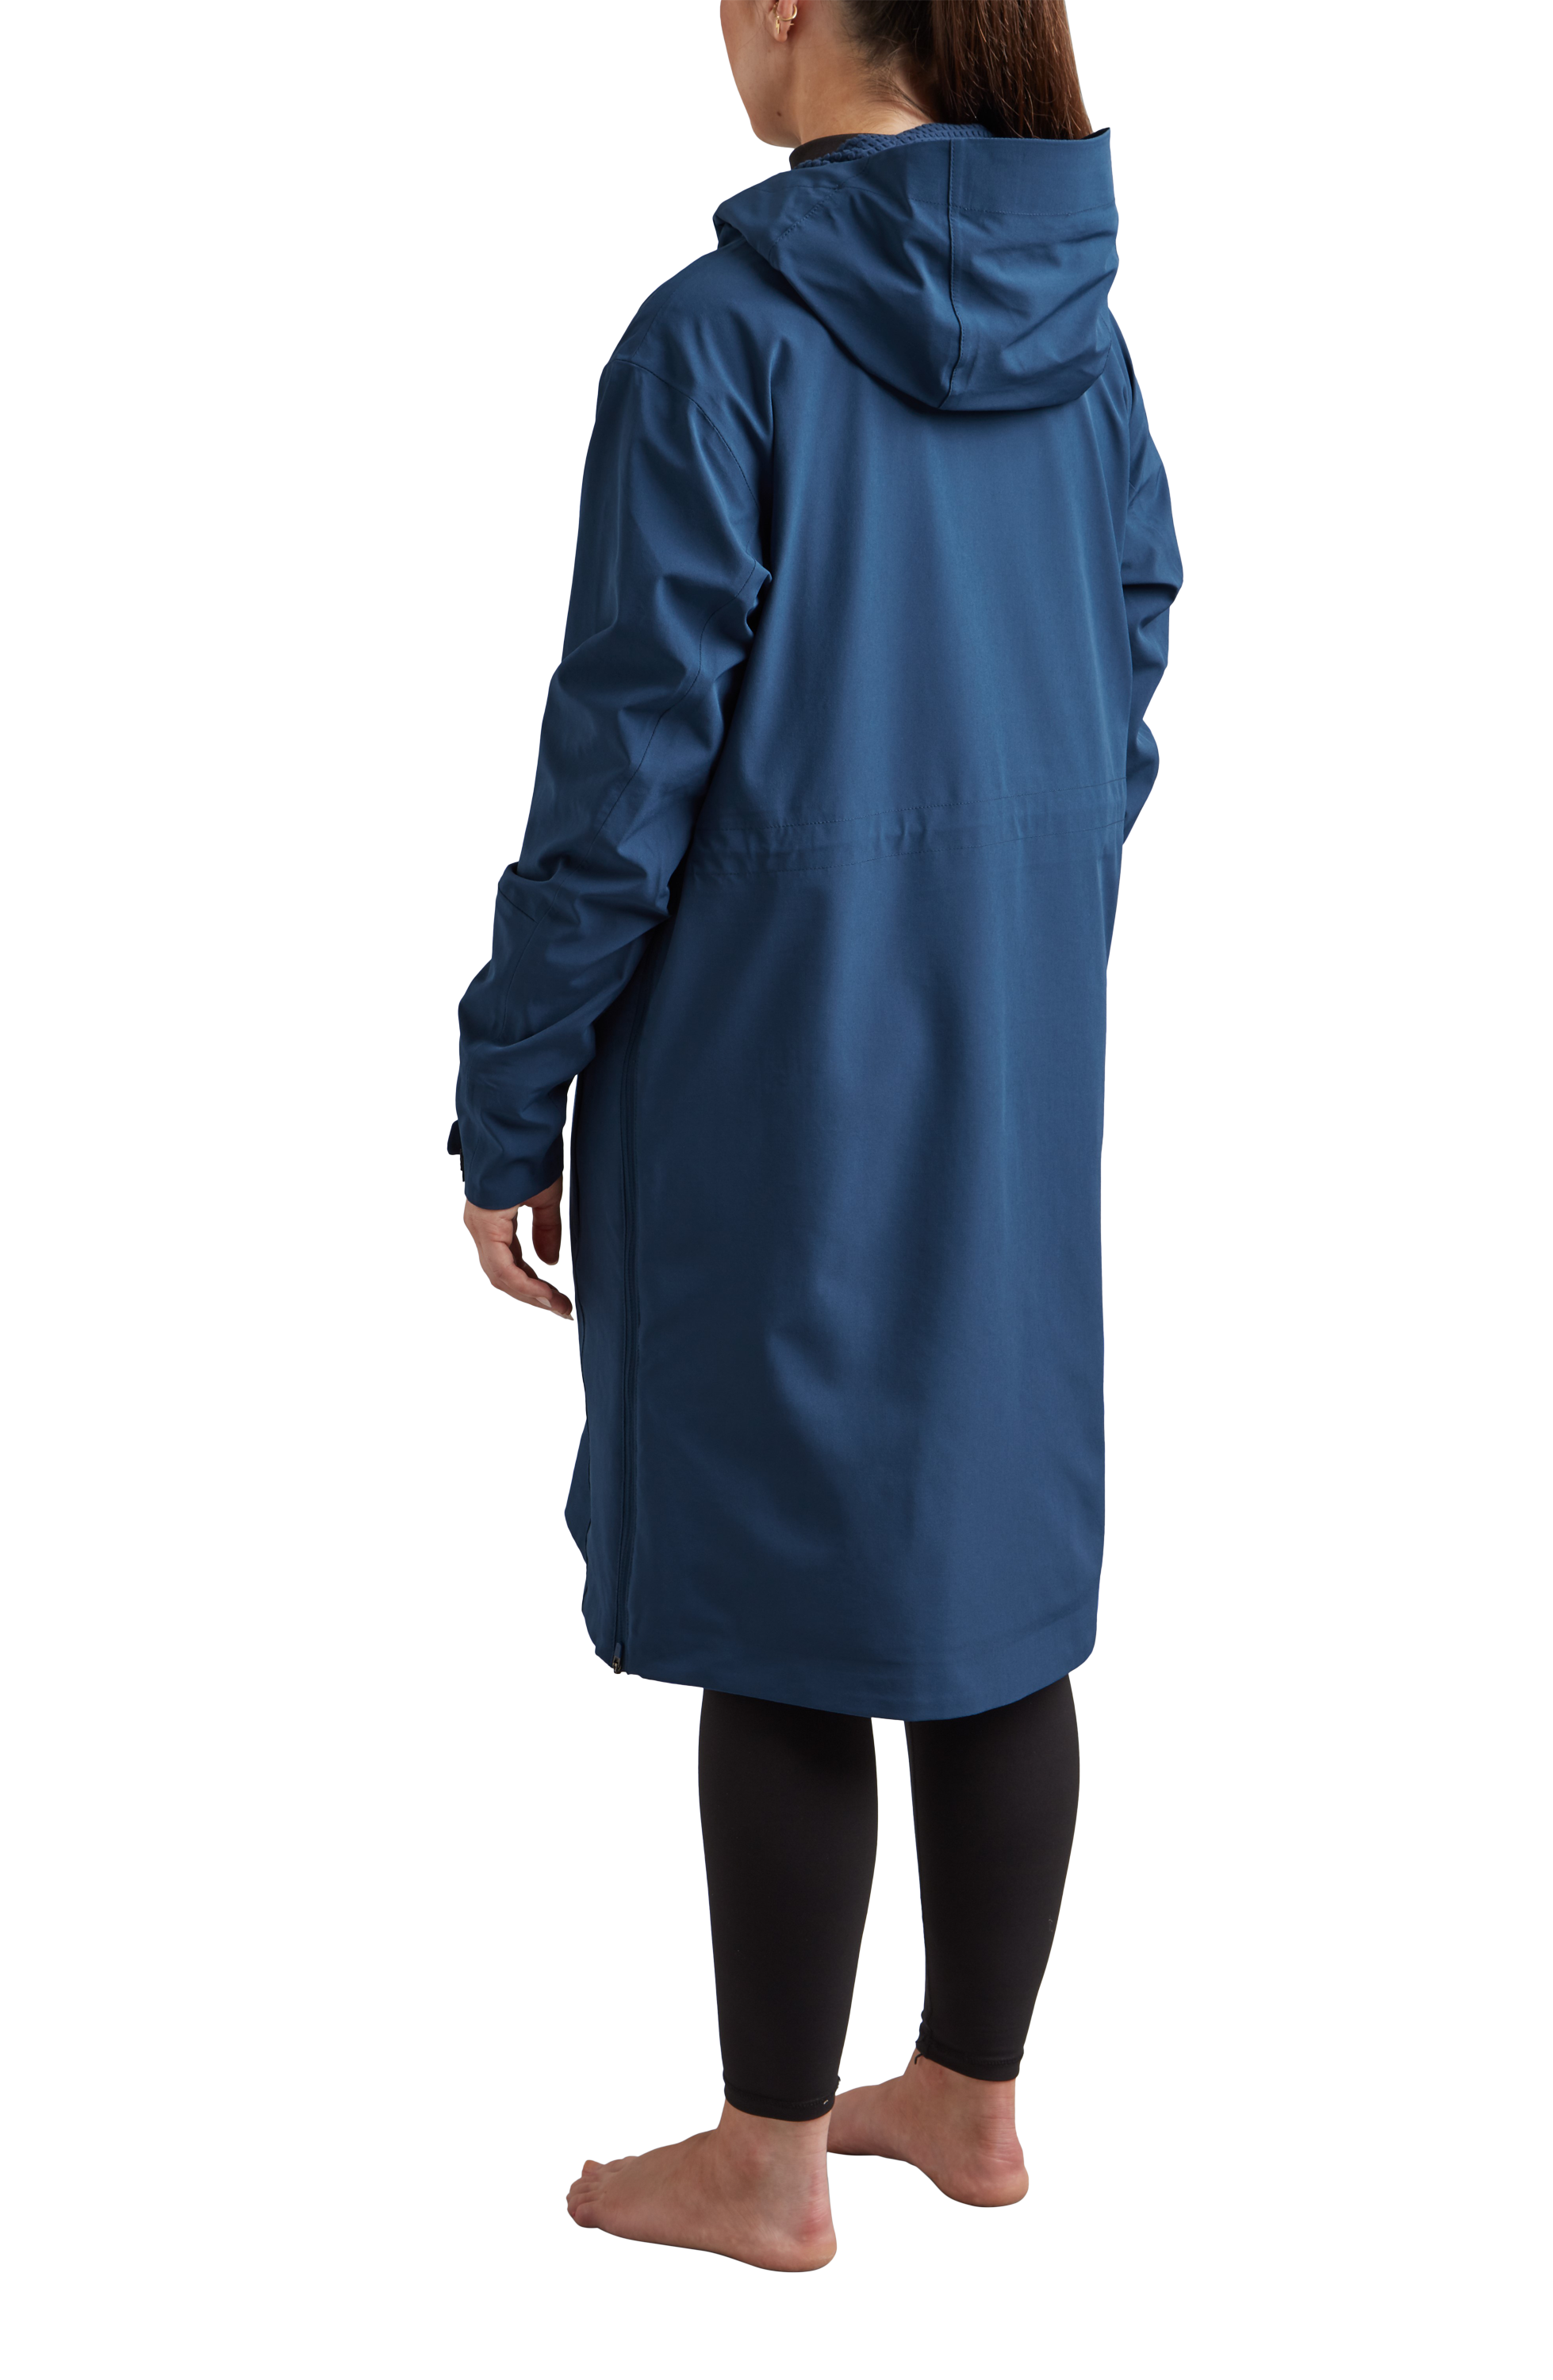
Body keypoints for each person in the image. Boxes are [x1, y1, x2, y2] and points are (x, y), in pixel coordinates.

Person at [452, 0, 1179, 2271]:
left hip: (770, 1055)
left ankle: (766, 2156)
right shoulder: (1080, 335)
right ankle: (971, 2097)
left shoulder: (721, 342)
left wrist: (510, 1089)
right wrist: (1030, 894)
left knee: (780, 1586)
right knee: (985, 1547)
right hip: (1010, 1041)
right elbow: (1133, 634)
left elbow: (623, 764)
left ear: (786, 6)